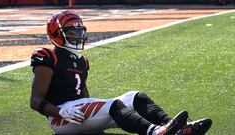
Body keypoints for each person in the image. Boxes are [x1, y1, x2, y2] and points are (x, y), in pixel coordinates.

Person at [30, 10, 212, 135]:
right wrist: (60, 111)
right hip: (61, 119)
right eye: (72, 32)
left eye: (79, 32)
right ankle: (156, 132)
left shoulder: (81, 61)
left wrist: (95, 112)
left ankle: (177, 127)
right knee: (114, 105)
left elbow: (84, 96)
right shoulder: (48, 57)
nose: (77, 36)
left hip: (78, 114)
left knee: (136, 97)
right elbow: (35, 100)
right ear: (56, 33)